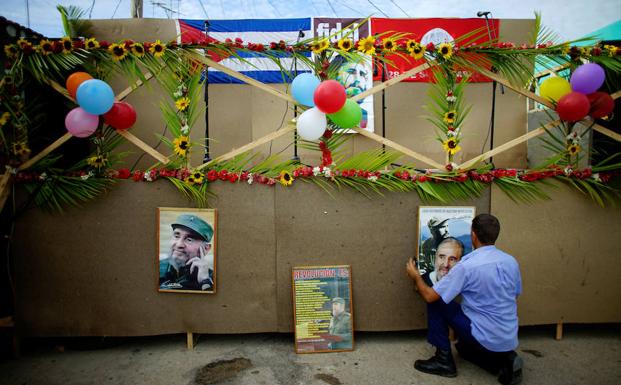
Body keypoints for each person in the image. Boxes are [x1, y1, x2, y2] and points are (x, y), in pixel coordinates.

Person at [406, 213, 523, 385]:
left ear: (473, 235)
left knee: (436, 300)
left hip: (483, 335)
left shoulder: (467, 266)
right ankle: (503, 358)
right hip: (508, 335)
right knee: (464, 350)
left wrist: (416, 276)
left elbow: (430, 296)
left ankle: (443, 361)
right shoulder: (510, 261)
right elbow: (516, 293)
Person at [159, 214, 214, 291]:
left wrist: (205, 282)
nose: (179, 244)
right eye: (176, 236)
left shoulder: (212, 279)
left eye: (189, 239)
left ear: (206, 248)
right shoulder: (156, 268)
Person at [333, 55, 370, 129]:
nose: (358, 79)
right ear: (334, 76)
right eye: (351, 72)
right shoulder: (327, 114)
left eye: (362, 74)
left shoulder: (363, 115)